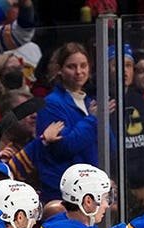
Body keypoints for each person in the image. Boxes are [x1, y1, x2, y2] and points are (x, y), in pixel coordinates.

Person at [34, 43, 105, 202]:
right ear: (60, 69)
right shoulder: (51, 104)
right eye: (71, 67)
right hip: (64, 193)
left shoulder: (88, 102)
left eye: (83, 66)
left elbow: (109, 147)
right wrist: (93, 119)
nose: (79, 72)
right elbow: (64, 147)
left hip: (91, 187)